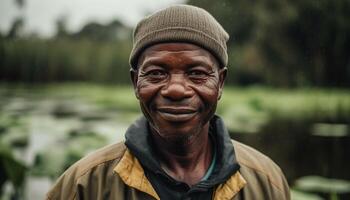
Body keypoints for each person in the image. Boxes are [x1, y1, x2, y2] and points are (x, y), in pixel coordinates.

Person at [46, 5, 290, 200]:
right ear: (135, 83)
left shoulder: (268, 183)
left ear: (221, 83)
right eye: (156, 73)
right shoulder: (84, 185)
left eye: (196, 73)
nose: (175, 89)